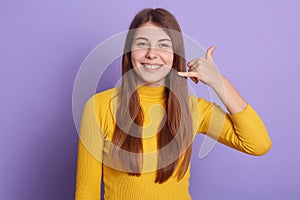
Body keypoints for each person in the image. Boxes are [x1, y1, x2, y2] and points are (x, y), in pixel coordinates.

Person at [75, 8, 272, 200]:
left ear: (175, 55)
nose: (152, 54)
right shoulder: (99, 107)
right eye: (142, 44)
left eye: (163, 45)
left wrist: (217, 81)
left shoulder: (193, 108)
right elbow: (86, 193)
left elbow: (258, 144)